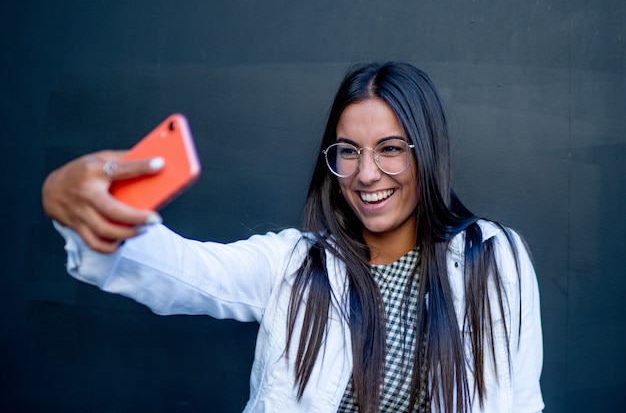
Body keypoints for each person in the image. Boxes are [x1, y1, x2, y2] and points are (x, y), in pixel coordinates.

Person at [41, 62, 544, 413]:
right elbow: (184, 273)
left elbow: (522, 404)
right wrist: (78, 206)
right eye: (347, 151)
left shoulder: (494, 257)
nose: (366, 174)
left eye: (390, 149)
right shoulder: (296, 265)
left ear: (427, 153)